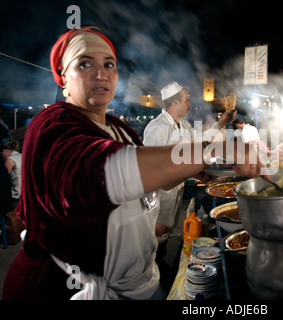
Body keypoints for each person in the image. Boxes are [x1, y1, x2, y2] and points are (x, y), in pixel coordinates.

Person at [2, 27, 264, 300]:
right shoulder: (52, 125)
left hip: (137, 283)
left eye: (109, 64)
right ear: (63, 76)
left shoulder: (118, 129)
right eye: (84, 63)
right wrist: (212, 150)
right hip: (65, 287)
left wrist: (198, 169)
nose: (101, 73)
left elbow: (146, 182)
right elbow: (110, 172)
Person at [142, 82, 236, 290]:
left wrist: (220, 124)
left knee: (163, 241)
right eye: (186, 100)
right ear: (174, 102)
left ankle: (161, 270)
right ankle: (153, 282)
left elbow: (199, 142)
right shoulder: (158, 128)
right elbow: (151, 168)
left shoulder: (182, 126)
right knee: (152, 244)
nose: (189, 104)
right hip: (158, 199)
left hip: (174, 194)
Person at [2, 140, 22, 205]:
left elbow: (3, 178)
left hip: (17, 195)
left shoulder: (10, 160)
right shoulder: (22, 155)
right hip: (27, 192)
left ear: (5, 150)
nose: (2, 155)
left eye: (2, 152)